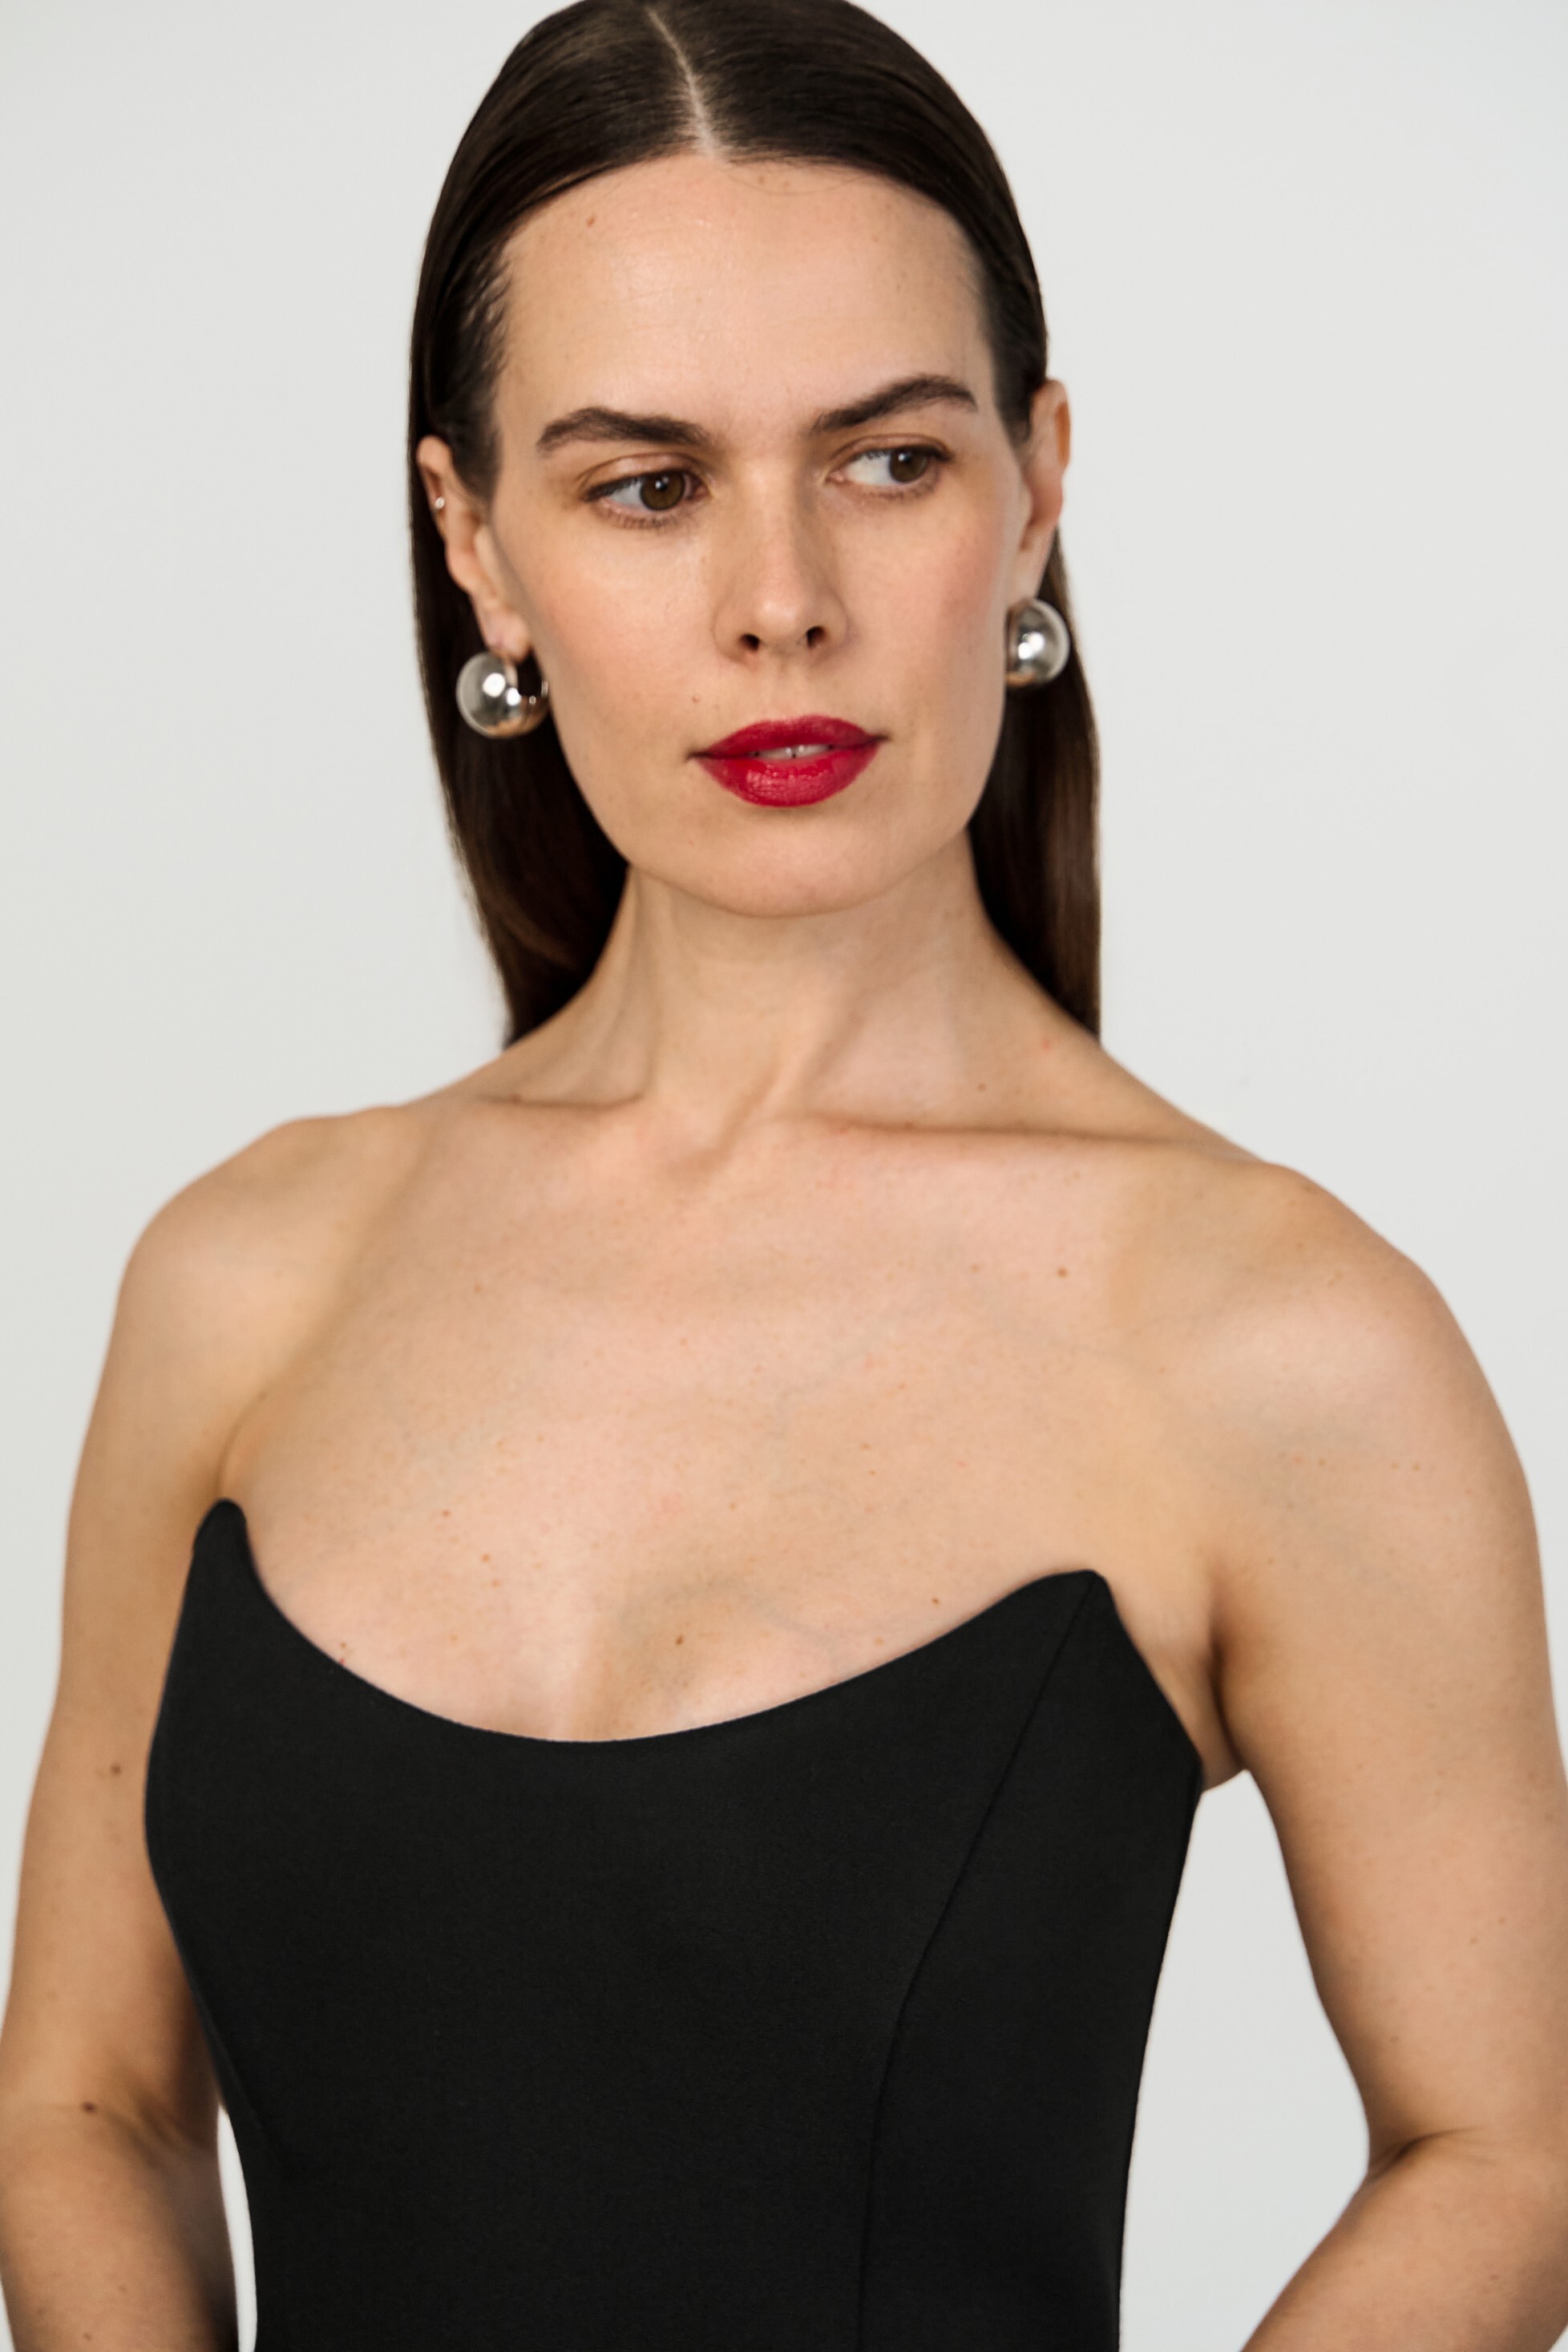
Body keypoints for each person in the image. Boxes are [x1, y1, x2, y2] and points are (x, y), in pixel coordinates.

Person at [2, 0, 1566, 2343]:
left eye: (888, 462)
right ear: (476, 544)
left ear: (1035, 490)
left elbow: (1507, 2154)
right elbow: (88, 2102)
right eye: (647, 485)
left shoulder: (1277, 1336)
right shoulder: (249, 1276)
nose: (779, 600)